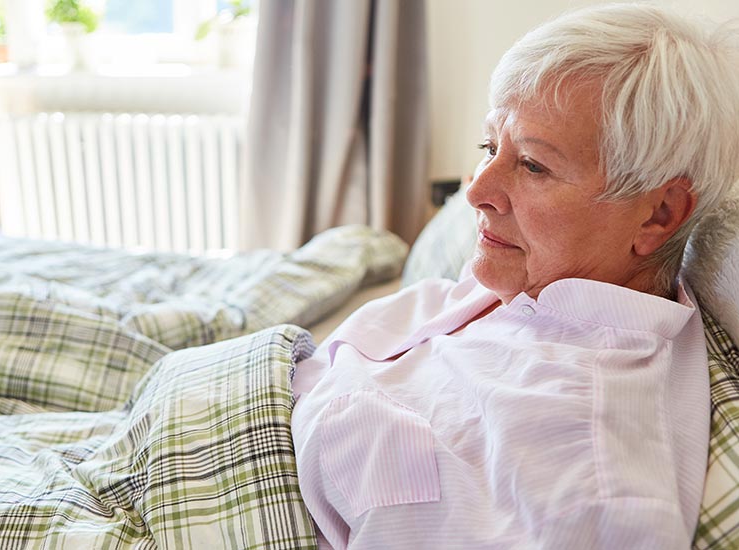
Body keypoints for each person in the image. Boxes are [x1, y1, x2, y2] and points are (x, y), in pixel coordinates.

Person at [290, 4, 739, 549]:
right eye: (489, 147)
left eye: (532, 165)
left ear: (658, 215)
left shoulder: (590, 477)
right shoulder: (527, 281)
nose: (476, 190)